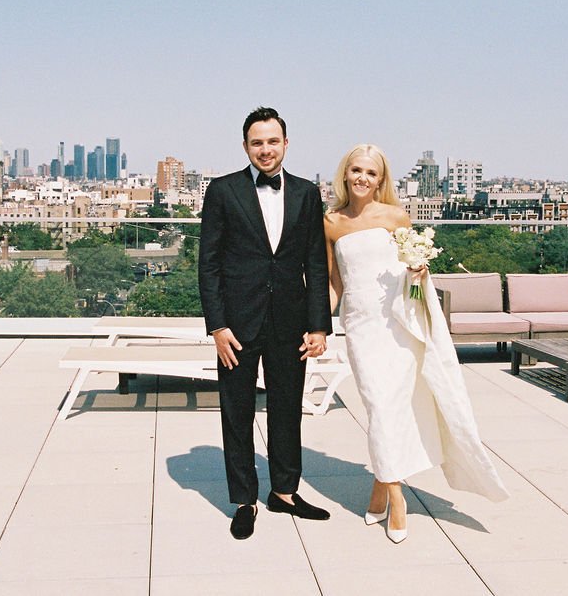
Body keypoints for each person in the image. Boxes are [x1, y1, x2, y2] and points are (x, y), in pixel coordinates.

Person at [324, 144, 509, 544]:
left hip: (399, 324)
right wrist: (315, 325)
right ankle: (392, 492)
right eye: (356, 170)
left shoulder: (396, 216)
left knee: (393, 408)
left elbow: (411, 267)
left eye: (371, 173)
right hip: (361, 325)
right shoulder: (331, 223)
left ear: (381, 179)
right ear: (345, 174)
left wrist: (419, 270)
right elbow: (334, 283)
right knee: (378, 405)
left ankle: (387, 490)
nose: (362, 178)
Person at [199, 107, 333, 540]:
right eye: (257, 142)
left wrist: (319, 326)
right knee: (236, 412)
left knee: (287, 408)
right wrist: (217, 327)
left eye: (272, 141)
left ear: (286, 144)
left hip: (291, 322)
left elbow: (315, 260)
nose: (265, 149)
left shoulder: (306, 193)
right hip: (236, 325)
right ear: (245, 147)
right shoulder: (222, 191)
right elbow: (209, 265)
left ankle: (285, 492)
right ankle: (244, 500)